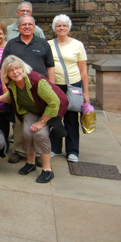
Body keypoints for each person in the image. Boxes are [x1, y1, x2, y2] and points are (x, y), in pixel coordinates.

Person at [0, 55, 68, 183]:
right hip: (31, 111)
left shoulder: (37, 81)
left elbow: (54, 103)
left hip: (47, 111)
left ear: (23, 68)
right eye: (11, 70)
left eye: (18, 68)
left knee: (40, 135)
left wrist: (42, 122)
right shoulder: (13, 83)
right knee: (26, 133)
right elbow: (11, 94)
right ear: (6, 73)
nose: (15, 72)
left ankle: (47, 170)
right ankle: (31, 163)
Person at [0, 15, 55, 164]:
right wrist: (6, 89)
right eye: (23, 24)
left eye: (30, 24)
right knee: (19, 122)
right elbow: (4, 68)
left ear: (34, 27)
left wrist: (52, 87)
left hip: (39, 90)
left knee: (39, 123)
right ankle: (19, 150)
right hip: (18, 91)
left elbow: (50, 66)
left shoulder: (43, 44)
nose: (27, 27)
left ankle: (38, 154)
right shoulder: (11, 44)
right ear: (18, 27)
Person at [48, 14, 89, 162]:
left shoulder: (77, 45)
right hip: (56, 85)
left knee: (71, 118)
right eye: (59, 26)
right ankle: (55, 147)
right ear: (54, 28)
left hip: (73, 85)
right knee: (56, 116)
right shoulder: (49, 44)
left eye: (64, 26)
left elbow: (83, 70)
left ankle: (73, 150)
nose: (61, 28)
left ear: (68, 27)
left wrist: (86, 92)